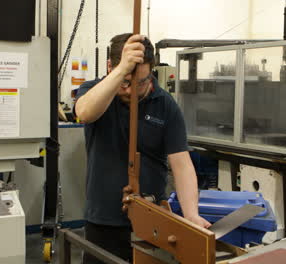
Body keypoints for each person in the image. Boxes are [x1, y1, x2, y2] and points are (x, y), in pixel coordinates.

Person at [74, 33, 210, 263]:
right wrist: (120, 72)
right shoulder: (95, 91)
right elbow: (84, 113)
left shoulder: (166, 105)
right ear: (110, 67)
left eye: (142, 82)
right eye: (126, 82)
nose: (131, 91)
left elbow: (181, 164)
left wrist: (191, 215)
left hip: (151, 220)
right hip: (103, 221)